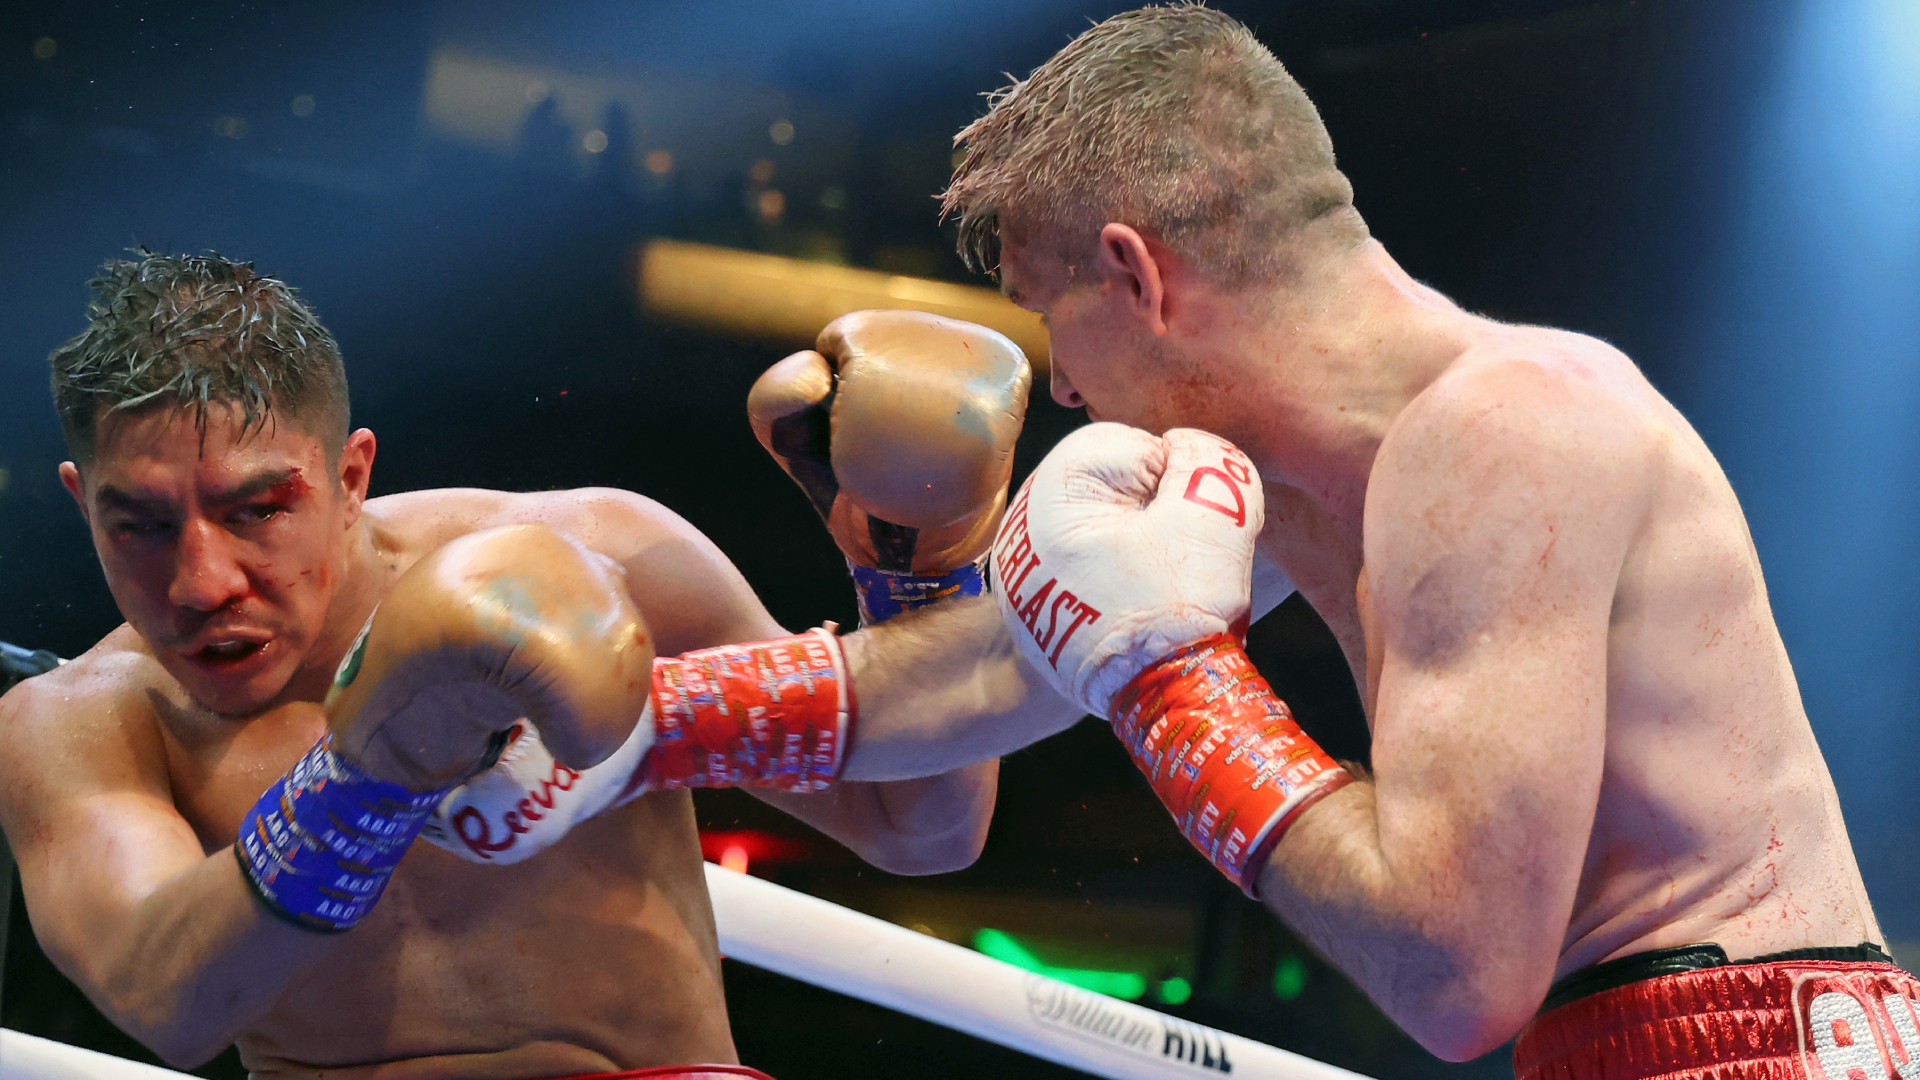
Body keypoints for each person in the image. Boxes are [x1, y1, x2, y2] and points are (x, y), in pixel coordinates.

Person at [927, 6, 1912, 1077]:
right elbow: (974, 685)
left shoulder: (1510, 428)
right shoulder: (1309, 491)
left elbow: (1455, 978)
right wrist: (871, 576)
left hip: (1751, 1039)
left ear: (1135, 276)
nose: (1064, 386)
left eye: (1046, 312)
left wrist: (1174, 690)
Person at [0, 253, 1060, 1079]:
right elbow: (169, 1002)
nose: (200, 582)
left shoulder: (605, 557)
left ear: (351, 475)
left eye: (255, 510)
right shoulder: (85, 721)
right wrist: (377, 771)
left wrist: (920, 562)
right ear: (80, 502)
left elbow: (921, 827)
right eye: (138, 524)